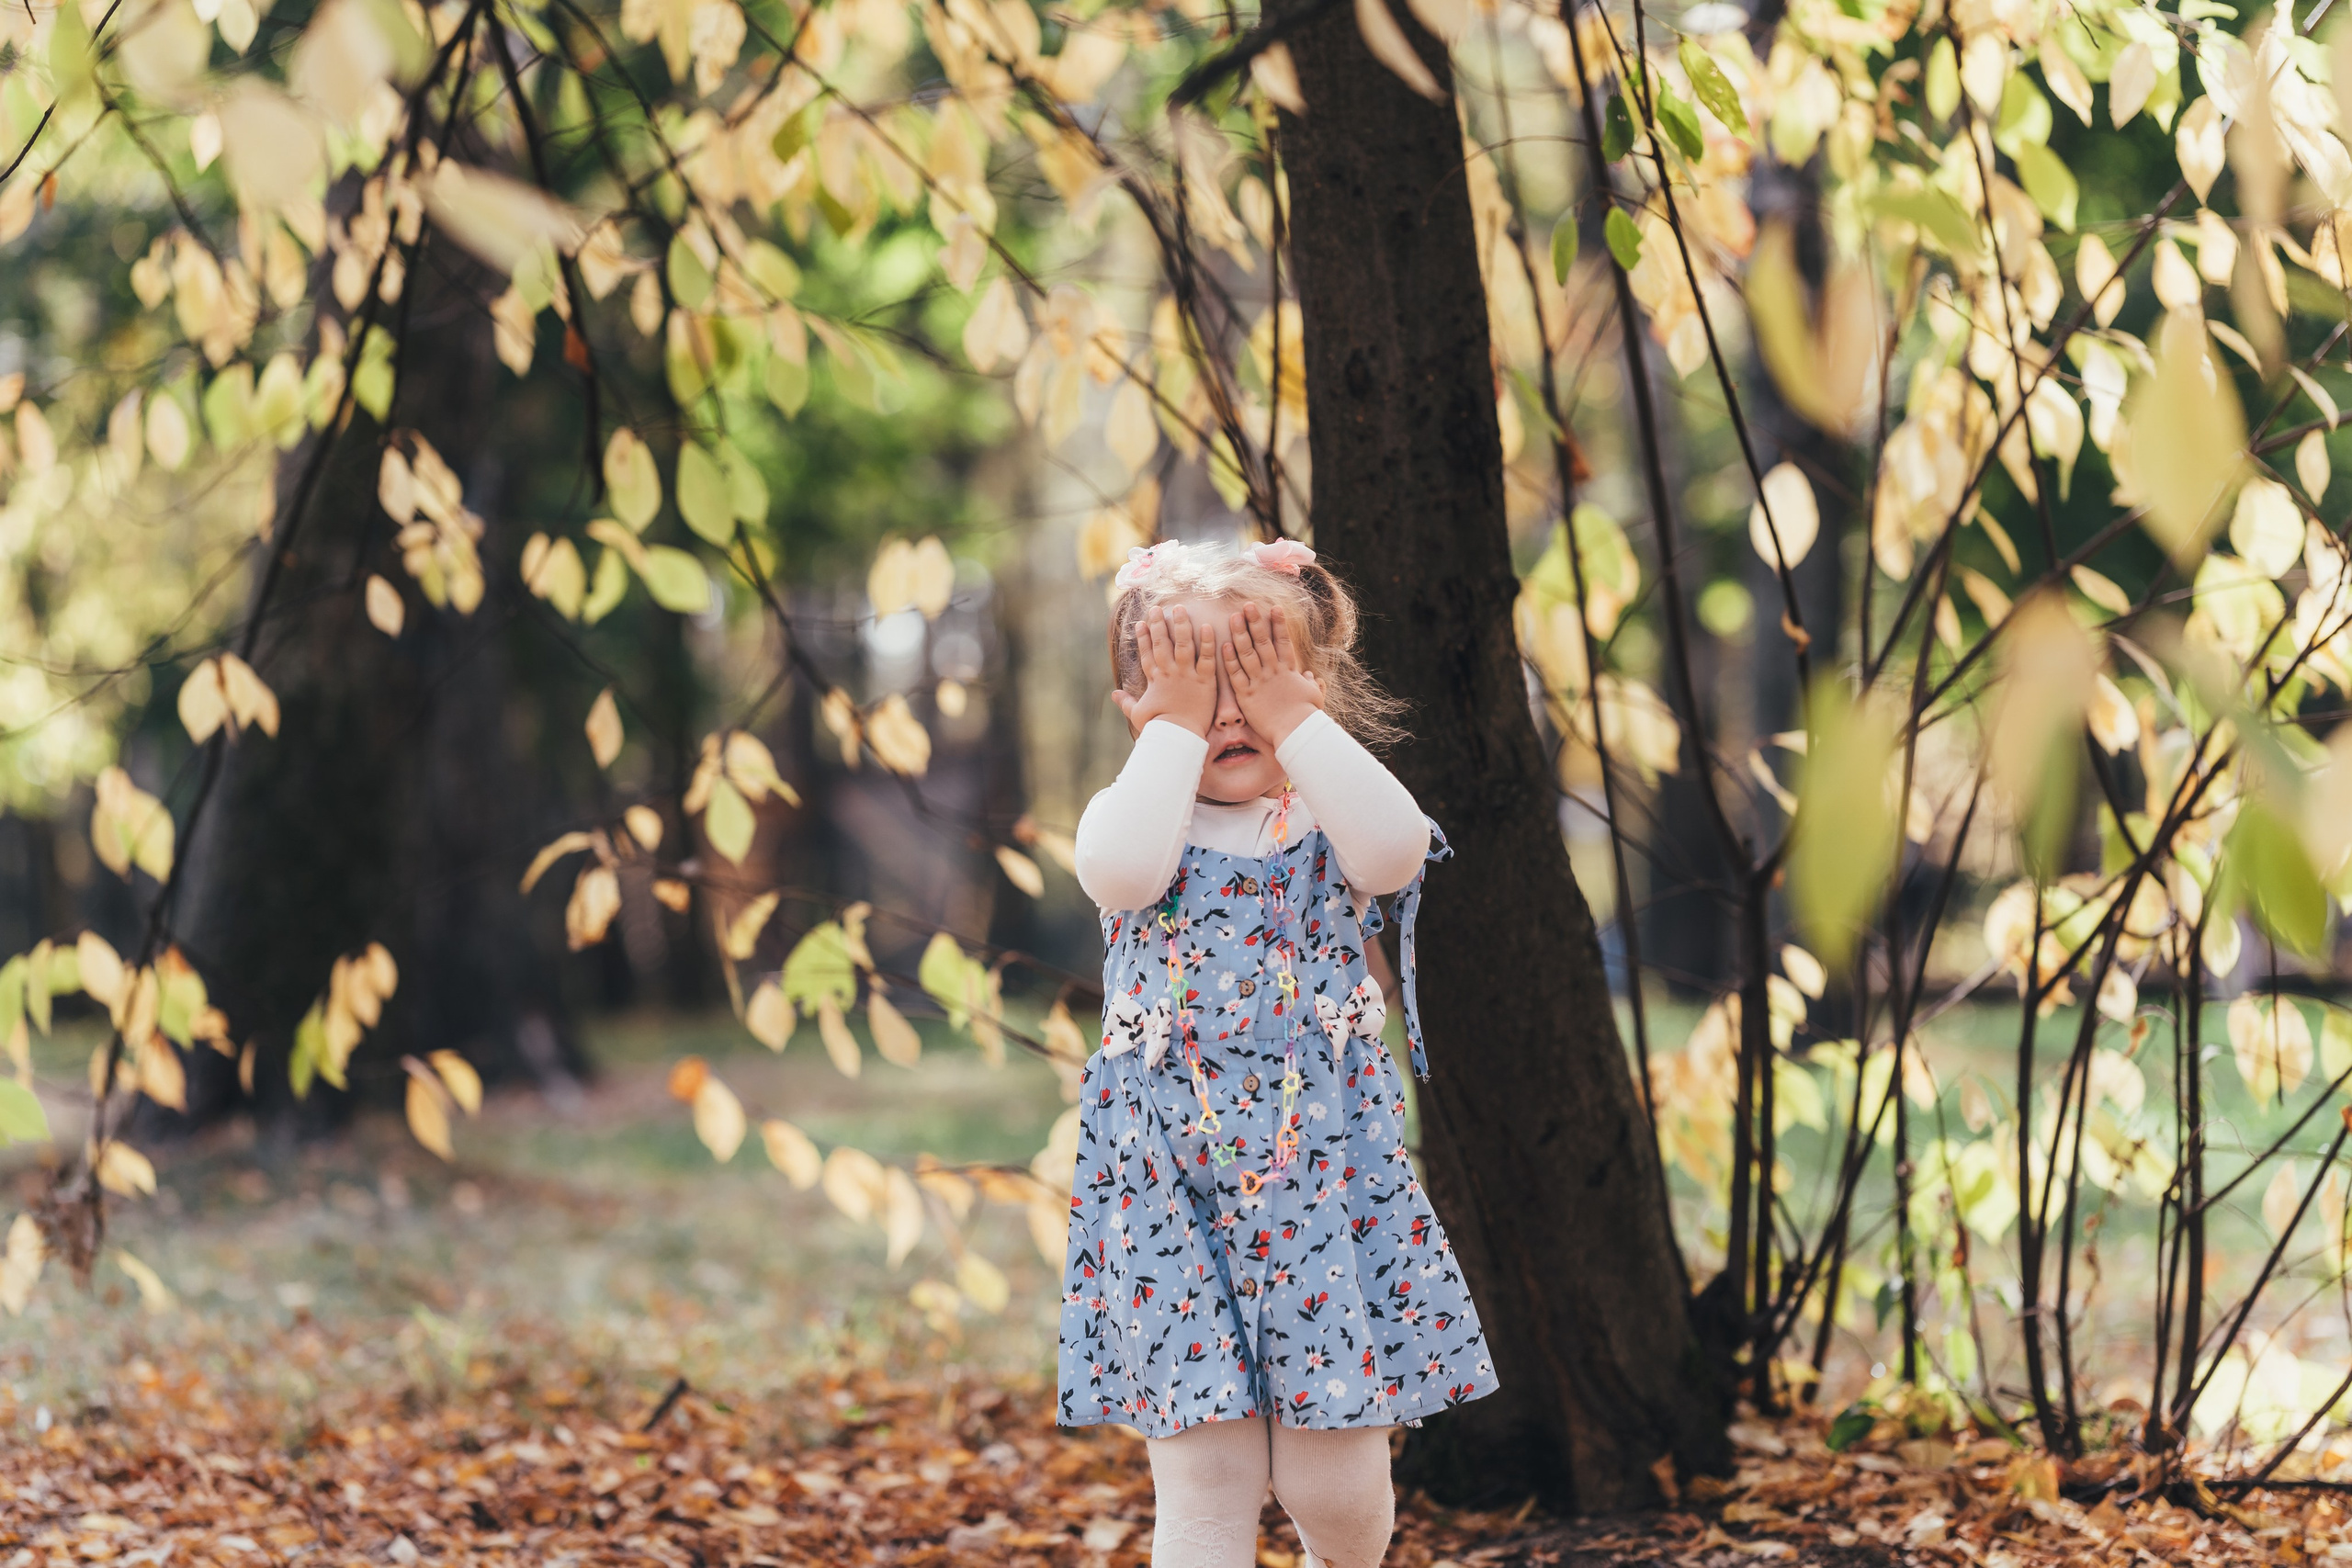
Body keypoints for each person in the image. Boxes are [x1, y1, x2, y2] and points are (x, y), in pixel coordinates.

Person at [1059, 537, 1498, 1568]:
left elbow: (1396, 852)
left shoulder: (1321, 823)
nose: (1226, 712)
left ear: (1311, 686)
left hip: (1322, 1179)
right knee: (1206, 1481)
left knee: (1333, 1482)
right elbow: (1121, 875)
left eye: (1252, 676)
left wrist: (1296, 722)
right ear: (1135, 707)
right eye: (1191, 683)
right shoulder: (1132, 823)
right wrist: (1170, 733)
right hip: (1171, 1191)